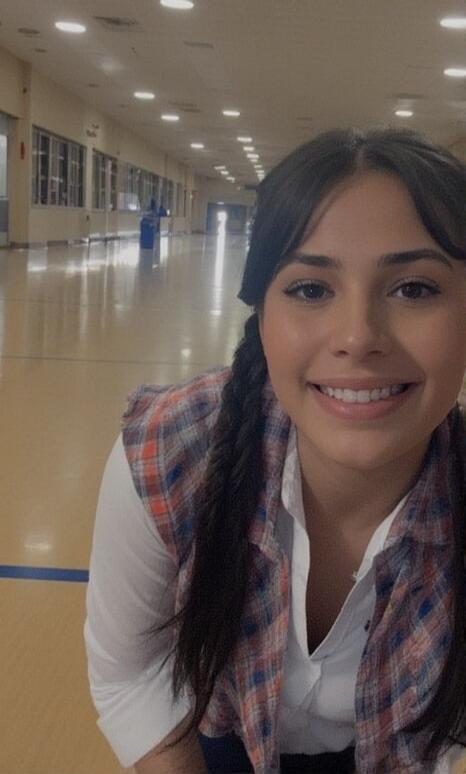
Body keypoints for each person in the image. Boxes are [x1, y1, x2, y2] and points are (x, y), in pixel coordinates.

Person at [84, 127, 466, 774]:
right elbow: (133, 673)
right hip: (202, 743)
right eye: (311, 289)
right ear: (261, 315)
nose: (357, 337)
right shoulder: (173, 449)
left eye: (415, 289)